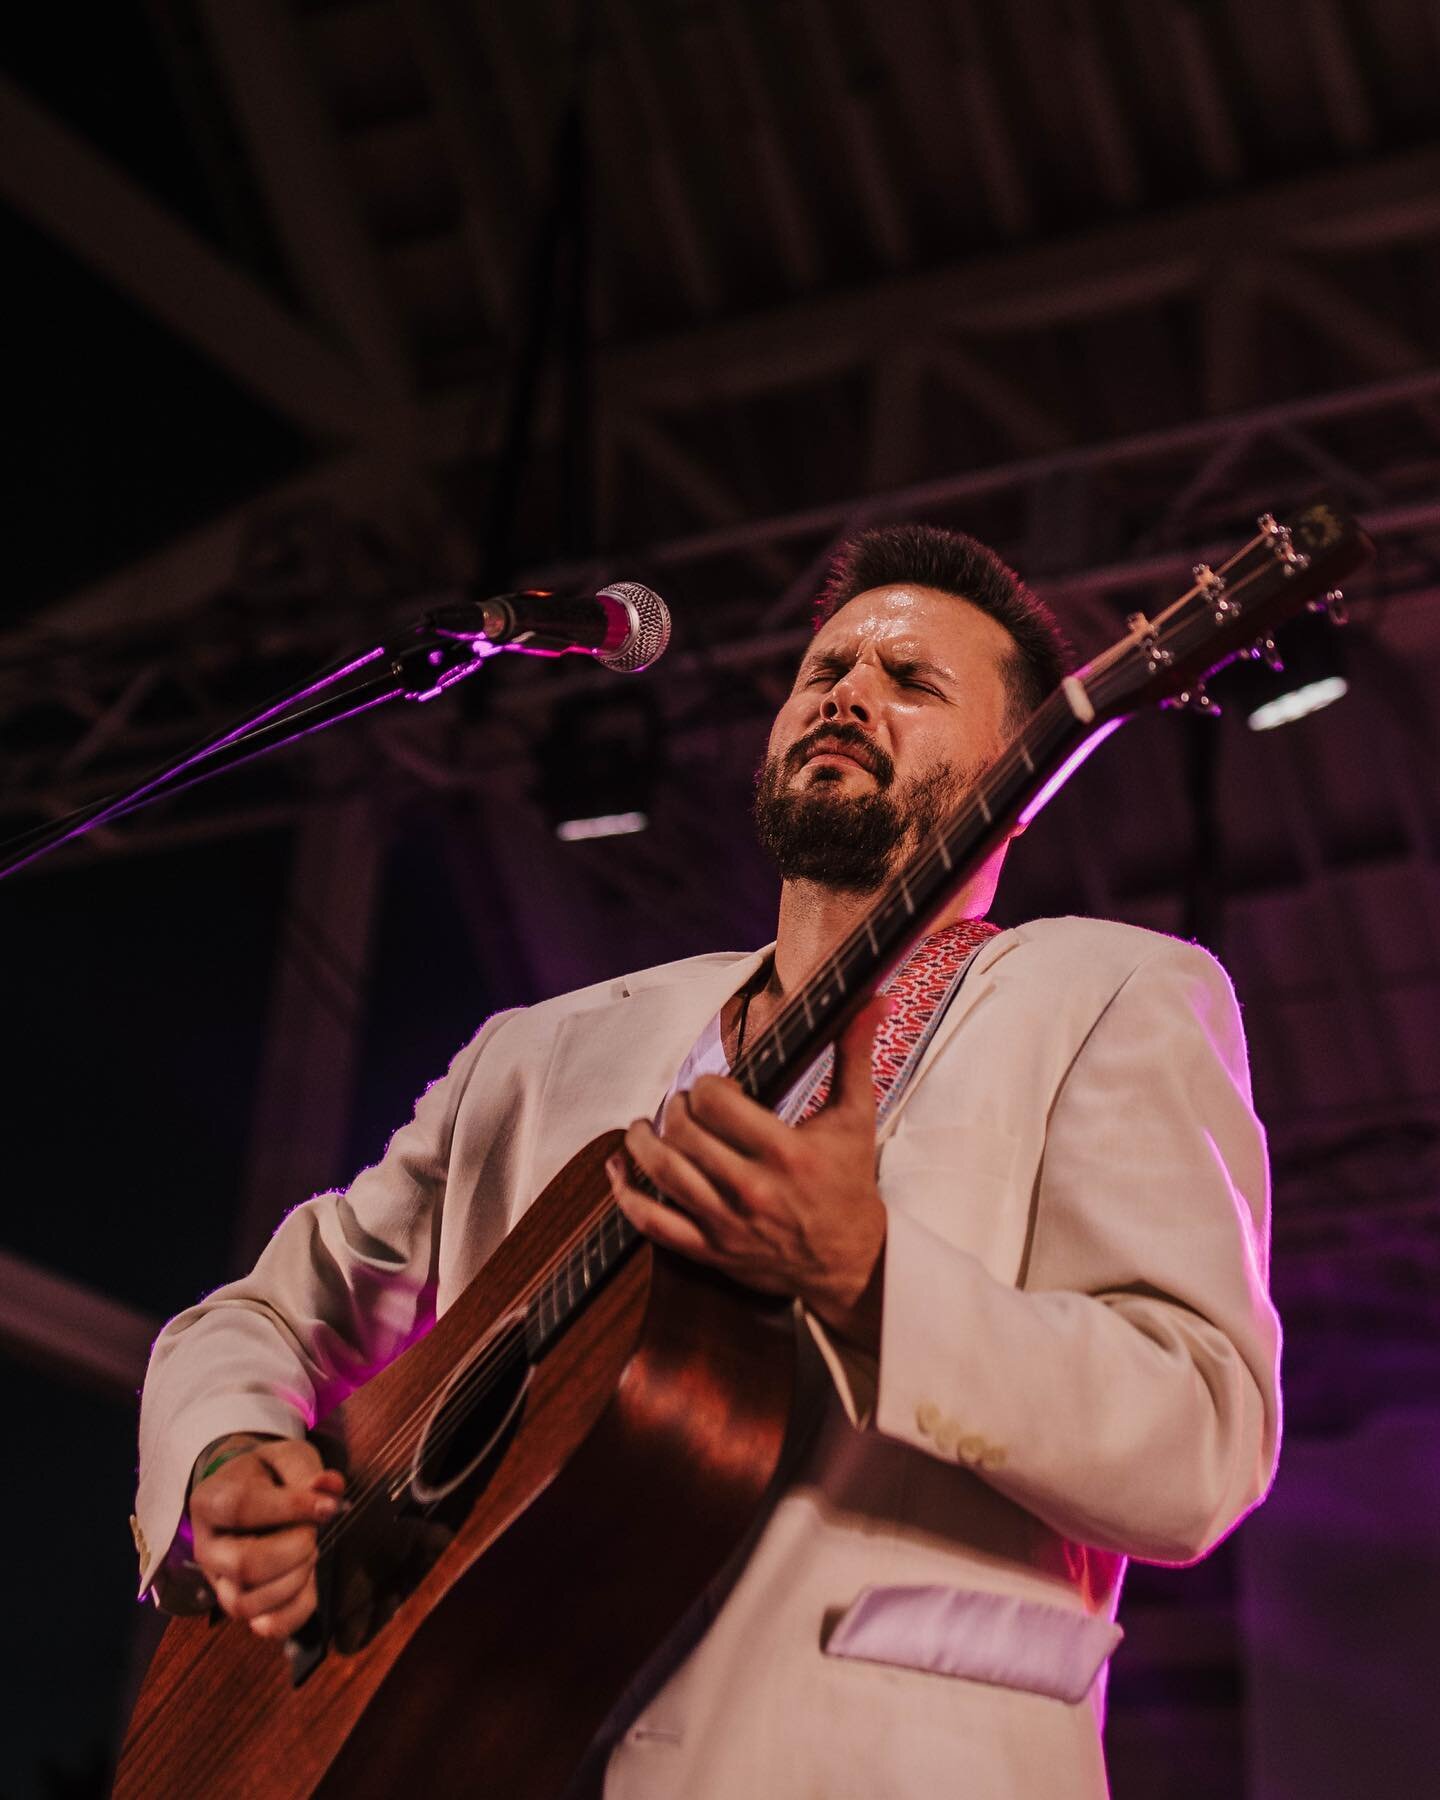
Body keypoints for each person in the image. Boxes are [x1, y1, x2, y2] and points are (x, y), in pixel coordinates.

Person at [132, 524, 1281, 1799]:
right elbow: (257, 1315)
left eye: (912, 682)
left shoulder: (1112, 994)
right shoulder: (541, 1054)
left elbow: (1202, 1442)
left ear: (1021, 770)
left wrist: (873, 1279)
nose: (848, 691)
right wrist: (229, 1459)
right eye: (825, 669)